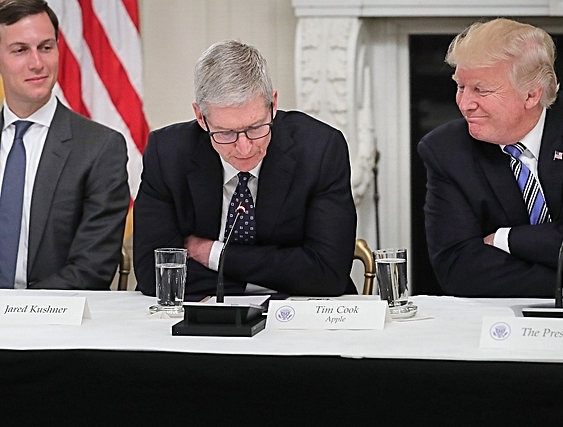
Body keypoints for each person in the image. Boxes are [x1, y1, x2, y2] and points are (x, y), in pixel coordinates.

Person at [417, 18, 563, 299]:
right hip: (502, 320)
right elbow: (459, 270)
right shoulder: (445, 150)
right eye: (461, 87)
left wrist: (504, 239)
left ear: (532, 95)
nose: (465, 103)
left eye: (481, 90)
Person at [133, 40, 357, 298]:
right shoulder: (168, 153)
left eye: (255, 128)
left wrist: (214, 255)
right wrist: (270, 281)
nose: (244, 148)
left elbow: (327, 274)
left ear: (273, 104)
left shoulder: (320, 150)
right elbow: (158, 276)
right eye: (226, 133)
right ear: (200, 117)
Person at [0, 0, 129, 290]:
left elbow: (92, 268)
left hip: (52, 321)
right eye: (20, 50)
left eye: (46, 47)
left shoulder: (100, 148)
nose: (37, 63)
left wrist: (16, 311)